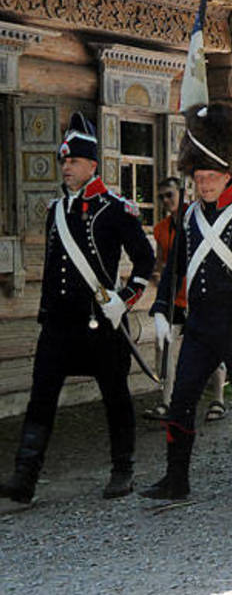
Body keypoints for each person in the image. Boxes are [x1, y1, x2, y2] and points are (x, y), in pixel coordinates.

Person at [0, 113, 154, 503]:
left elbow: (144, 260)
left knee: (115, 396)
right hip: (59, 325)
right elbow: (55, 268)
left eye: (72, 161)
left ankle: (123, 470)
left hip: (99, 321)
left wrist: (125, 300)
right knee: (41, 398)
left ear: (91, 165)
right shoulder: (56, 211)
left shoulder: (116, 208)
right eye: (63, 161)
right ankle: (25, 477)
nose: (65, 167)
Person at [141, 95, 232, 500]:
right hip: (200, 326)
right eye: (198, 176)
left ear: (227, 173)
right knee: (182, 397)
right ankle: (175, 479)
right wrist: (163, 309)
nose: (203, 183)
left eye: (210, 176)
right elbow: (176, 269)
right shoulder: (188, 218)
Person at [143, 177, 227, 423]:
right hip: (175, 299)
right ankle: (166, 401)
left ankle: (217, 398)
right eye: (162, 197)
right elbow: (162, 260)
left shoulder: (200, 222)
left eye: (170, 194)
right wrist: (157, 274)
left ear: (182, 194)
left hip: (201, 297)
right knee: (166, 348)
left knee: (212, 347)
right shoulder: (161, 229)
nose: (166, 201)